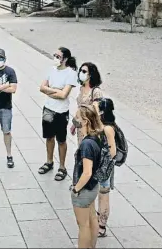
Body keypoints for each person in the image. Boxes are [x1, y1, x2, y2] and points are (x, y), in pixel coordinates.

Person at [38, 47, 78, 181]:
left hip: (61, 111)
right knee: (49, 137)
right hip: (48, 109)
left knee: (61, 139)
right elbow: (41, 88)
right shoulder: (51, 70)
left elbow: (64, 95)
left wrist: (49, 91)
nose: (55, 58)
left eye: (58, 56)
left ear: (65, 59)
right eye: (54, 55)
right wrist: (55, 90)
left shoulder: (71, 73)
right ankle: (49, 162)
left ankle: (62, 167)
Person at [70, 104, 104, 249]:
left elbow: (87, 172)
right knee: (92, 218)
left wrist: (76, 189)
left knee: (83, 225)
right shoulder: (96, 137)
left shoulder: (86, 144)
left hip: (84, 190)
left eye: (77, 117)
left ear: (85, 121)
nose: (75, 120)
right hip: (93, 187)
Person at [95, 98, 117, 238]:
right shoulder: (100, 125)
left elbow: (112, 152)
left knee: (103, 195)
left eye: (96, 108)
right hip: (97, 165)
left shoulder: (108, 128)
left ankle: (102, 225)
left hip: (104, 167)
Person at [74, 62, 104, 145]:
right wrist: (75, 124)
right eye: (80, 70)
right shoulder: (81, 88)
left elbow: (98, 113)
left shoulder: (96, 91)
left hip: (91, 129)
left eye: (84, 71)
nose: (81, 73)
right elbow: (79, 108)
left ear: (90, 74)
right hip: (81, 128)